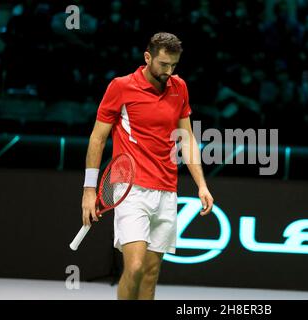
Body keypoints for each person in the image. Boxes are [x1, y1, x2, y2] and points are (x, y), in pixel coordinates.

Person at [80, 32, 214, 300]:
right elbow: (98, 137)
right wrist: (88, 190)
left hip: (166, 189)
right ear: (147, 57)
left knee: (151, 272)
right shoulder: (121, 87)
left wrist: (202, 185)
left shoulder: (180, 87)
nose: (169, 71)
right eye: (164, 64)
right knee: (136, 266)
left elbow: (187, 138)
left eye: (174, 65)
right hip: (131, 189)